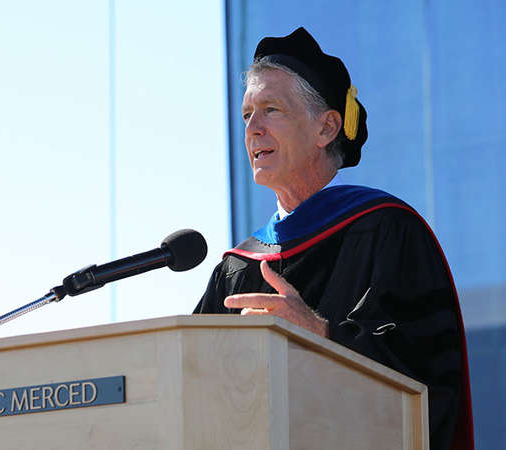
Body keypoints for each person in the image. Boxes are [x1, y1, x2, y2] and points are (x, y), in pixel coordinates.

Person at [193, 27, 474, 450]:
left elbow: (423, 376)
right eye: (248, 114)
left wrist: (320, 333)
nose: (253, 128)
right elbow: (190, 385)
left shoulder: (385, 231)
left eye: (272, 109)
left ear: (327, 128)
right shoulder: (238, 268)